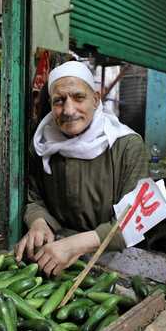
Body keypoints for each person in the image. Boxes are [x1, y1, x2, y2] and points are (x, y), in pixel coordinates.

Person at [15, 60, 148, 275]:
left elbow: (134, 220)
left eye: (78, 97)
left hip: (112, 258)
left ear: (96, 99)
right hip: (56, 252)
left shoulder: (126, 145)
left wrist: (73, 246)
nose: (68, 110)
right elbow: (34, 198)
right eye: (59, 101)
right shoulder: (42, 145)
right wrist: (39, 223)